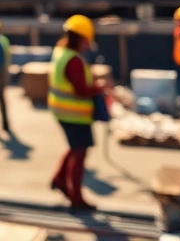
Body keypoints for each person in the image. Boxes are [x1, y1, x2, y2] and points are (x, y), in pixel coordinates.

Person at [48, 14, 105, 211]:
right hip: (74, 114)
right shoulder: (74, 60)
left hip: (61, 111)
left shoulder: (60, 52)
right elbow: (81, 90)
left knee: (74, 148)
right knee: (79, 153)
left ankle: (59, 179)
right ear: (82, 39)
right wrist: (99, 88)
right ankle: (76, 198)